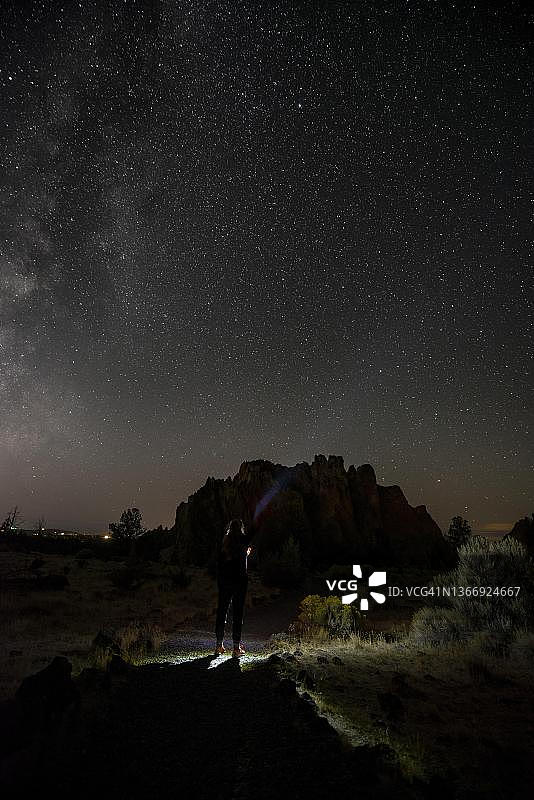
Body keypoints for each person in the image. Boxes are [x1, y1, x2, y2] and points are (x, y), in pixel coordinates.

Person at [214, 517, 254, 657]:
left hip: (225, 582)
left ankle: (219, 645)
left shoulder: (225, 542)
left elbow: (220, 563)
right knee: (238, 614)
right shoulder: (244, 540)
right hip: (240, 582)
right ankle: (236, 648)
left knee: (222, 612)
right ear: (241, 528)